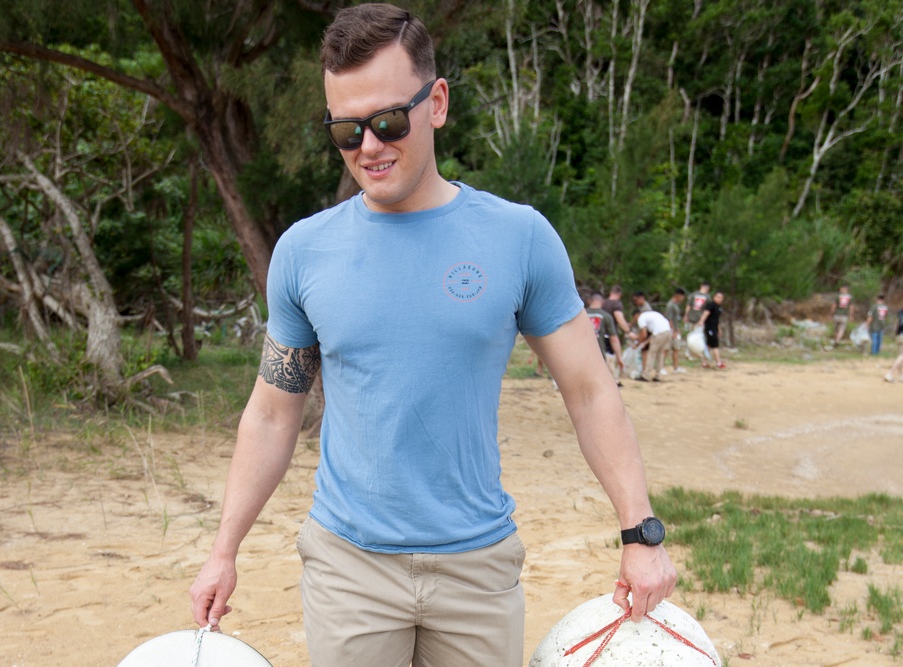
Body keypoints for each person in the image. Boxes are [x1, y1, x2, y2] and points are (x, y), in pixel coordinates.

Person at [188, 6, 676, 665]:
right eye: (345, 128)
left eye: (389, 121)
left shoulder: (520, 238)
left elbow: (590, 391)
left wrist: (641, 533)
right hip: (349, 569)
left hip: (477, 568)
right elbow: (275, 411)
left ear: (436, 102)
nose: (368, 146)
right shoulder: (304, 253)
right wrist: (224, 551)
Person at [586, 292, 624, 387]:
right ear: (602, 302)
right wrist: (619, 357)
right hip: (598, 353)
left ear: (589, 301)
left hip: (581, 354)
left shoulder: (580, 315)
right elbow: (614, 338)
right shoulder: (606, 316)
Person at [635, 308, 672, 382]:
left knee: (651, 354)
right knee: (660, 354)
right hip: (667, 331)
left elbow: (644, 334)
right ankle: (658, 375)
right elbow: (652, 336)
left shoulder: (641, 318)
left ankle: (646, 375)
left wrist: (638, 343)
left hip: (660, 333)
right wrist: (644, 343)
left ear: (636, 315)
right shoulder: (651, 315)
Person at [698, 291, 726, 369]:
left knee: (708, 345)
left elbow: (717, 319)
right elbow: (705, 313)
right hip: (709, 328)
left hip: (714, 327)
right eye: (718, 297)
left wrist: (718, 329)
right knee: (715, 345)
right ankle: (718, 363)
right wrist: (701, 321)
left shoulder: (719, 307)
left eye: (721, 297)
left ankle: (704, 363)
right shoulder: (711, 305)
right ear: (714, 297)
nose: (719, 299)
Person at [665, 288, 687, 373]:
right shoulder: (670, 305)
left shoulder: (675, 305)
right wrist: (673, 331)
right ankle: (661, 367)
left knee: (676, 349)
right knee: (666, 349)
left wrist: (677, 329)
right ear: (678, 296)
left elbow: (675, 319)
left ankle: (676, 367)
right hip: (670, 330)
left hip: (675, 329)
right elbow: (669, 319)